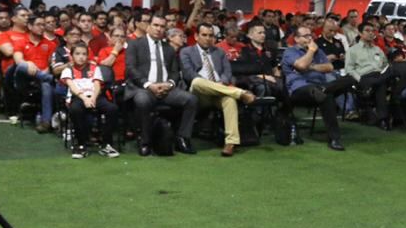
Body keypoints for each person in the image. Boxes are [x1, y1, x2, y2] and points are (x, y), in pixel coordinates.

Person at [125, 13, 200, 156]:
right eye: (155, 25)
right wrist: (148, 85)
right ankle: (145, 141)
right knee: (142, 100)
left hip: (167, 89)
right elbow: (131, 69)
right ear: (148, 26)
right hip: (144, 88)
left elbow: (174, 72)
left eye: (162, 26)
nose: (159, 29)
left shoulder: (168, 48)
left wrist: (170, 84)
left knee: (191, 100)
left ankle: (182, 138)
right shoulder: (135, 44)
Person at [181, 22, 258, 157]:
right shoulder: (187, 52)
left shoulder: (219, 52)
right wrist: (212, 84)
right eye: (204, 35)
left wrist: (221, 83)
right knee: (197, 81)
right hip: (199, 93)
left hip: (219, 91)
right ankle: (240, 93)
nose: (208, 38)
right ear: (196, 36)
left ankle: (230, 142)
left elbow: (227, 73)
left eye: (211, 35)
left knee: (229, 100)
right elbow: (188, 74)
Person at [281, 25, 347, 151]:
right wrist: (311, 51)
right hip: (299, 89)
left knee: (345, 81)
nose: (310, 38)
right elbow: (301, 65)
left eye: (310, 35)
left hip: (320, 85)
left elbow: (329, 67)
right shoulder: (290, 52)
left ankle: (323, 91)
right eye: (306, 36)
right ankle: (334, 139)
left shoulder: (319, 51)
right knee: (323, 94)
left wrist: (311, 67)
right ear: (296, 39)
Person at [61, 43, 119, 159]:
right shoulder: (68, 70)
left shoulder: (94, 67)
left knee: (112, 109)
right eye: (77, 54)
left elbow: (97, 84)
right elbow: (72, 86)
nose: (81, 57)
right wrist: (85, 99)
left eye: (84, 54)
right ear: (72, 56)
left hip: (95, 96)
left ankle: (107, 144)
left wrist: (93, 98)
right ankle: (81, 144)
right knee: (75, 110)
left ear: (88, 56)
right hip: (78, 97)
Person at [345, 21, 395, 129]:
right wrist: (360, 79)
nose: (371, 33)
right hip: (364, 77)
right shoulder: (353, 50)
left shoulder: (378, 49)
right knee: (381, 85)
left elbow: (385, 65)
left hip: (379, 76)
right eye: (367, 31)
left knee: (390, 73)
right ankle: (384, 118)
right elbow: (349, 69)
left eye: (373, 31)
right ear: (360, 33)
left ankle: (383, 117)